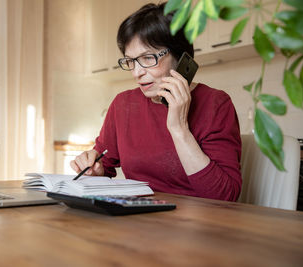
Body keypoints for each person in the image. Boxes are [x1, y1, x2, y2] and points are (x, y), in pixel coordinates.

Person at [70, 2, 242, 201]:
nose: (137, 72)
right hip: (138, 218)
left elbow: (225, 197)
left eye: (148, 58)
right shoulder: (123, 104)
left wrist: (179, 129)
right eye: (131, 61)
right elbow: (103, 165)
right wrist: (94, 169)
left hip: (198, 222)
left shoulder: (216, 104)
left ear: (179, 54)